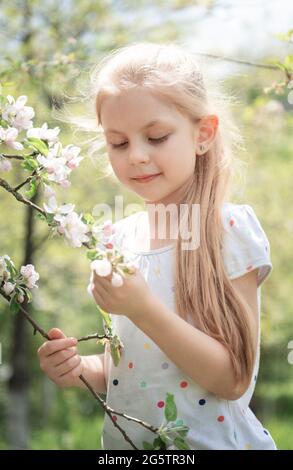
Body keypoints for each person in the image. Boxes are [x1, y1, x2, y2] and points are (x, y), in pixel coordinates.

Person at [37, 42, 276, 450]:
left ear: (203, 134)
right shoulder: (117, 239)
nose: (137, 157)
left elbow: (233, 380)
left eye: (156, 136)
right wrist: (82, 369)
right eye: (119, 143)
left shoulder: (228, 228)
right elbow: (135, 370)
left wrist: (142, 308)